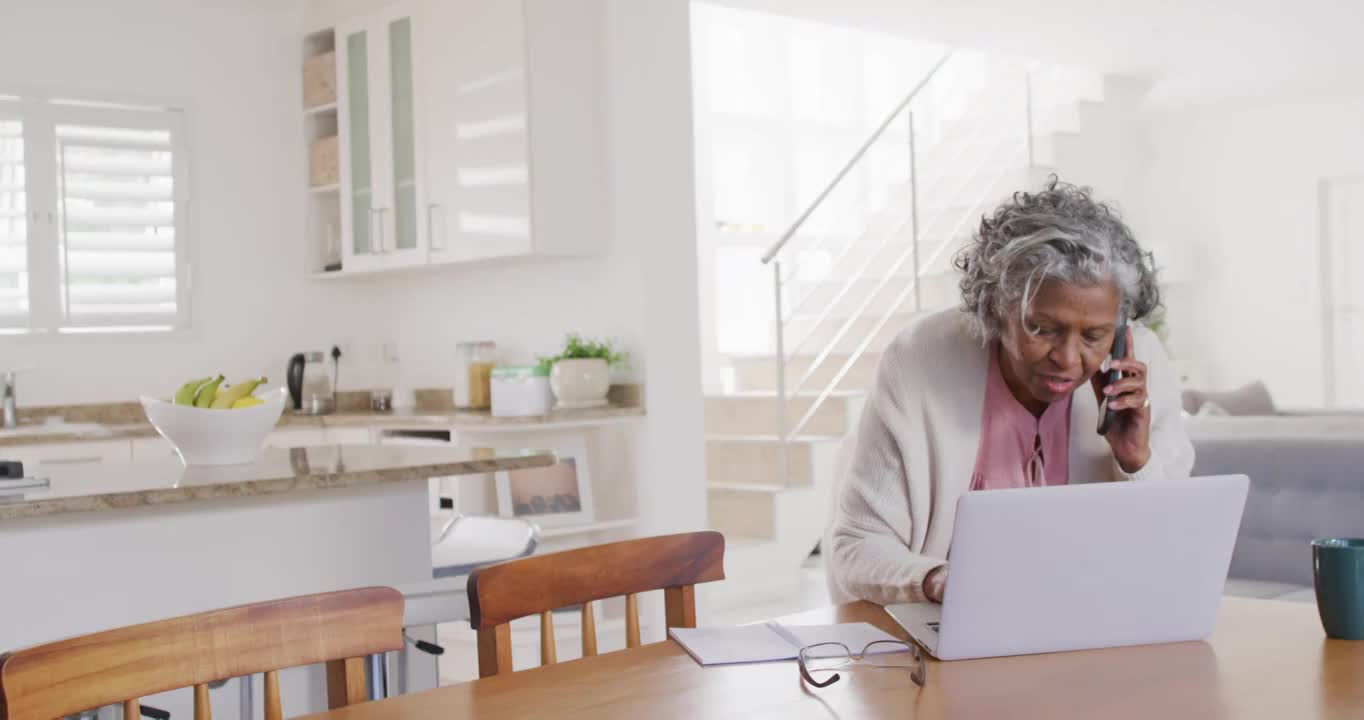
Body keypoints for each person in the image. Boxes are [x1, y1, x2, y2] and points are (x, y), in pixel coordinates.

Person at [825, 179, 1194, 605]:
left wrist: (1135, 462)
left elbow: (1172, 555)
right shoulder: (921, 358)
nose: (1068, 359)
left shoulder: (1139, 362)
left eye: (1094, 335)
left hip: (1087, 621)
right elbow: (857, 548)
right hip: (940, 635)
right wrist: (943, 581)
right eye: (1042, 328)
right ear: (995, 308)